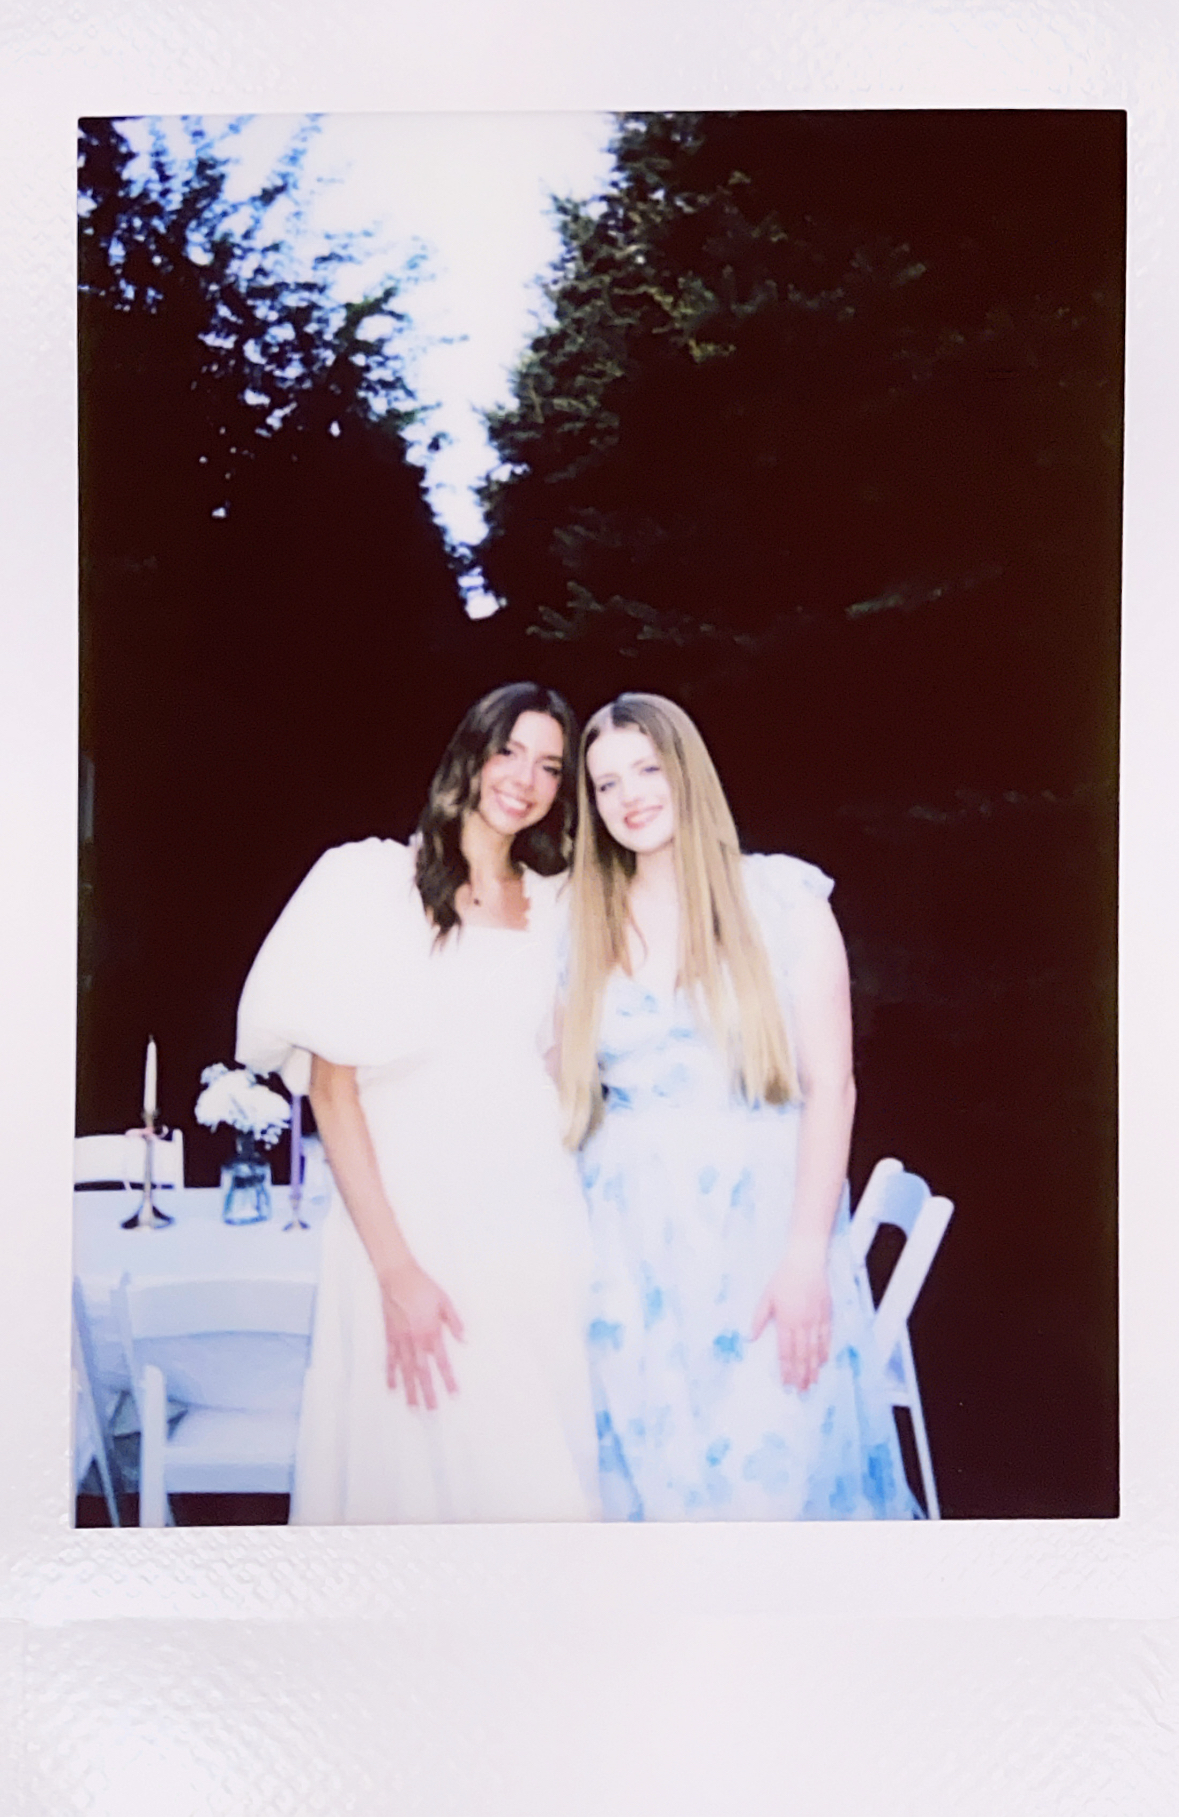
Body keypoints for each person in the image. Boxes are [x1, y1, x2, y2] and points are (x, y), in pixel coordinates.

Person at [236, 683, 601, 1524]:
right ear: (468, 753)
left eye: (549, 764)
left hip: (530, 1218)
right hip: (407, 1216)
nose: (526, 778)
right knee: (414, 1460)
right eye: (508, 749)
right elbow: (334, 1091)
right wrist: (397, 1272)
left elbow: (555, 1065)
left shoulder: (554, 902)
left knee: (533, 1470)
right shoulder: (369, 882)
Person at [560, 693, 917, 1521]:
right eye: (606, 783)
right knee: (647, 1482)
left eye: (647, 768)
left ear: (687, 772)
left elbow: (831, 1085)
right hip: (626, 1241)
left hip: (760, 1228)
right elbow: (548, 1083)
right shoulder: (583, 924)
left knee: (769, 1472)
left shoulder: (781, 897)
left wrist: (803, 1257)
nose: (629, 796)